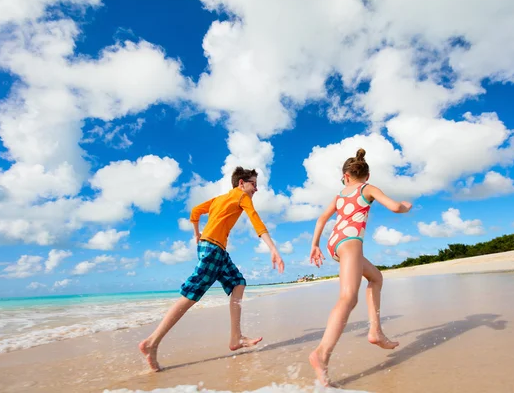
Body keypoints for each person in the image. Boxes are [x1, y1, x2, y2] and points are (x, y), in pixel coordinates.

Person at [139, 166, 285, 371]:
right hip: (213, 250)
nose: (256, 189)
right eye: (253, 184)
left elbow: (195, 211)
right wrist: (273, 249)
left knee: (238, 283)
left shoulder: (218, 199)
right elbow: (256, 221)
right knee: (191, 294)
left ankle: (236, 337)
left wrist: (196, 234)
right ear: (241, 184)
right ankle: (151, 342)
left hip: (214, 249)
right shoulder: (242, 197)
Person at [308, 148, 412, 386]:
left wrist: (315, 245)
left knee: (375, 277)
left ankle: (376, 331)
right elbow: (395, 207)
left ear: (345, 176)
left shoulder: (339, 195)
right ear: (366, 175)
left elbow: (321, 219)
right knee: (348, 298)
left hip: (334, 243)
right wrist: (406, 205)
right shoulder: (368, 188)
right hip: (350, 242)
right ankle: (321, 354)